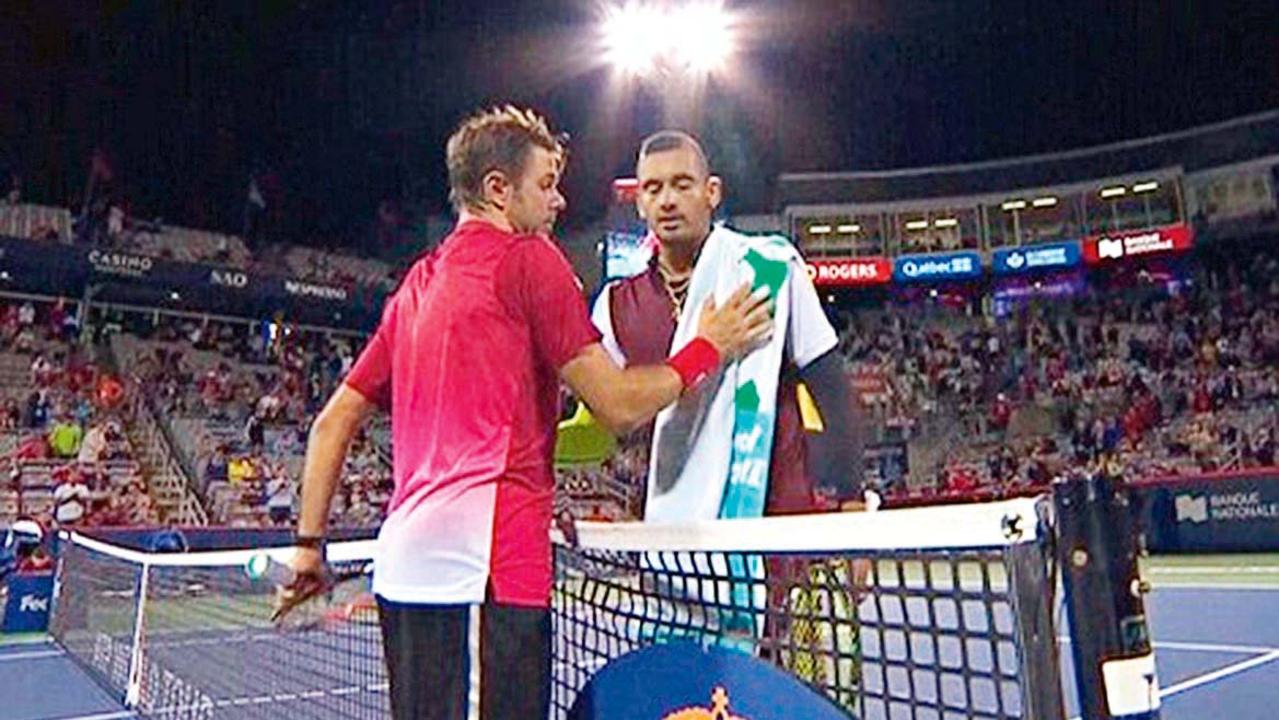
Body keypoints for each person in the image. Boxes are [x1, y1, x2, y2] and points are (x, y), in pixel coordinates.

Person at [286, 105, 771, 720]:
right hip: (483, 578)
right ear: (497, 189)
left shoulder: (415, 286)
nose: (560, 201)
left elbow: (331, 423)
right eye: (545, 184)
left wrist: (308, 550)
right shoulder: (531, 263)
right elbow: (618, 406)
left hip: (405, 572)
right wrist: (709, 345)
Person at [590, 131, 869, 711]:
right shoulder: (616, 307)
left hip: (789, 548)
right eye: (653, 188)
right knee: (705, 705)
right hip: (680, 560)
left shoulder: (768, 267)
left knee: (814, 705)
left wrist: (851, 515)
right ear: (638, 202)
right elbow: (604, 417)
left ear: (712, 192)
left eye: (682, 184)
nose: (668, 200)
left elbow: (831, 385)